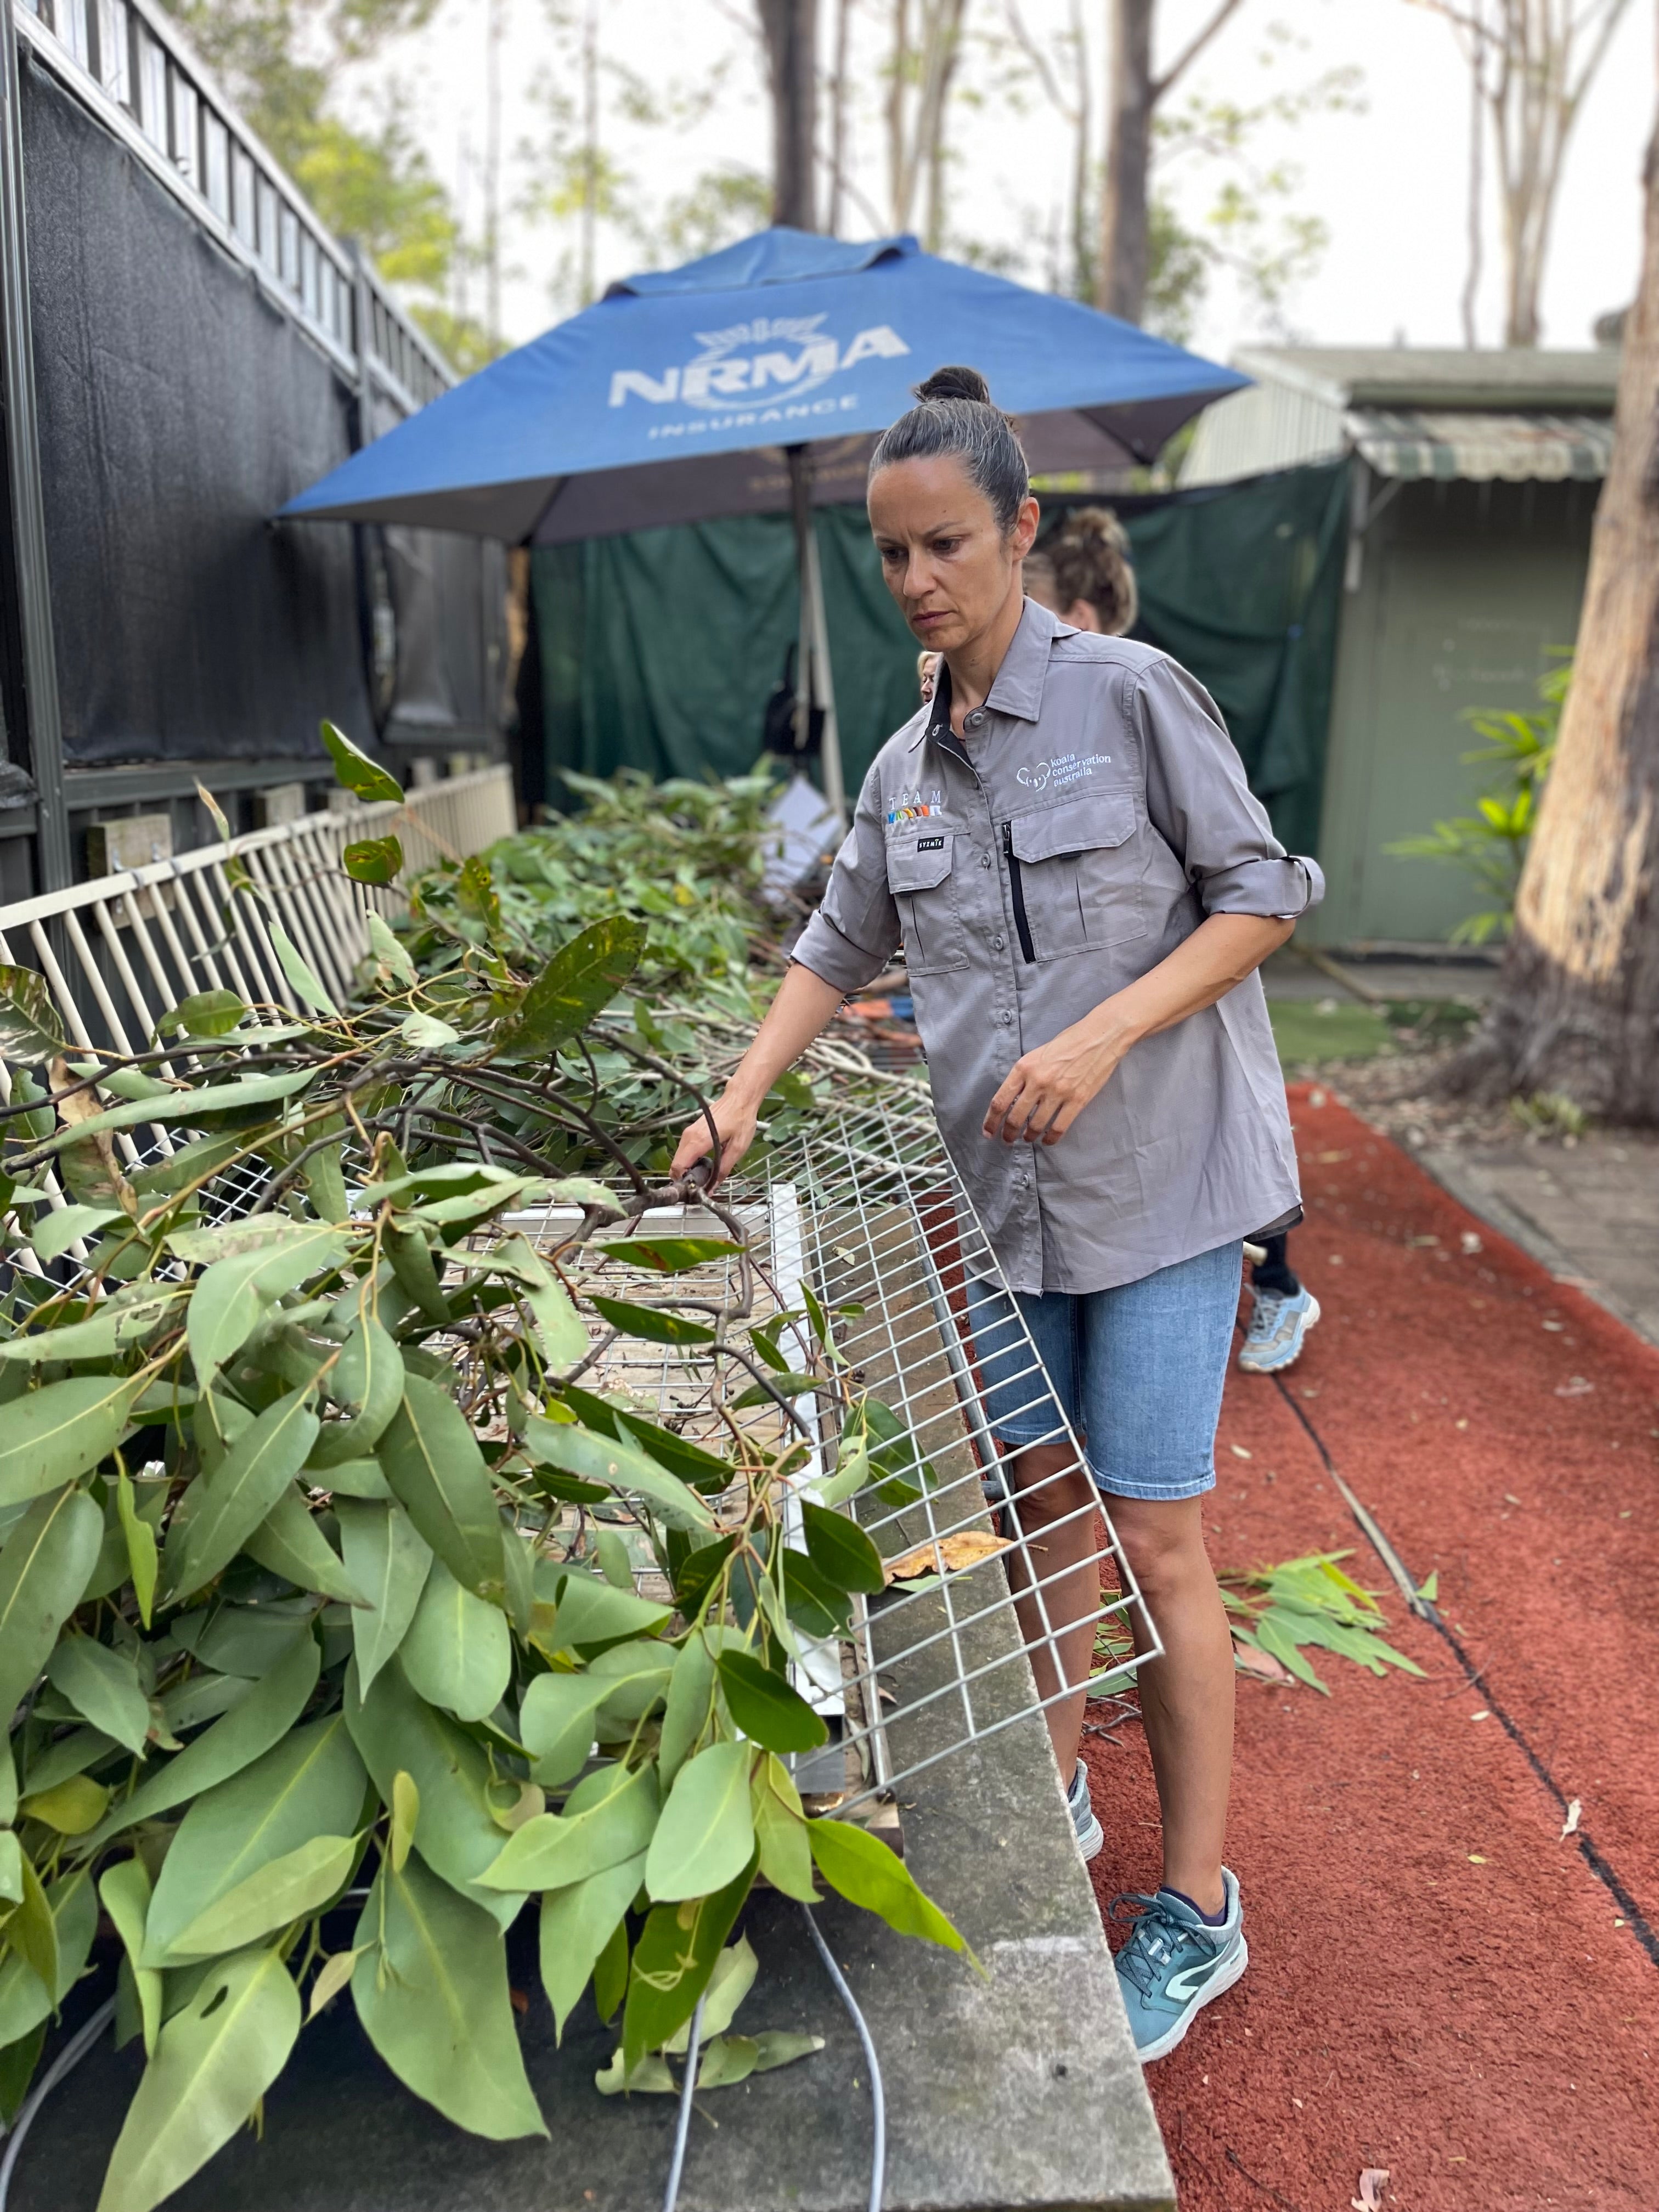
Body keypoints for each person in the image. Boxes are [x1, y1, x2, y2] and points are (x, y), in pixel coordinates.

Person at [672, 365, 1323, 2062]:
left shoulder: (1131, 696)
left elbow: (1266, 893)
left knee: (1153, 1533)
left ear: (1023, 532)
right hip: (1009, 1213)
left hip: (1167, 1192)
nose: (916, 581)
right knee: (1038, 1518)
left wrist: (1107, 1032)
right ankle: (1056, 1800)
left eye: (945, 543)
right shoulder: (901, 769)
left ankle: (1197, 1910)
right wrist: (742, 1092)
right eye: (889, 554)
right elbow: (835, 941)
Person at [1020, 514, 1322, 1379]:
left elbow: (1255, 888)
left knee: (1215, 1127)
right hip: (1105, 1014)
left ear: (1074, 611)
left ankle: (1280, 1285)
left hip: (1181, 983)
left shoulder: (1142, 691)